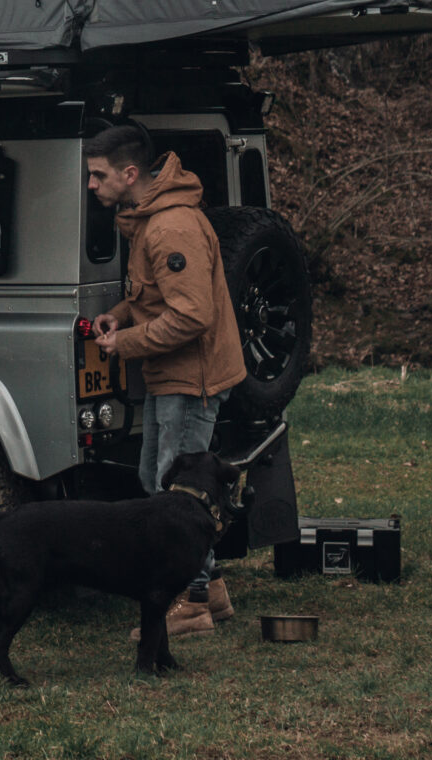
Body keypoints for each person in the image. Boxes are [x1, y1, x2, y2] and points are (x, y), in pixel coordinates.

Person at [84, 121, 247, 636]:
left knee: (178, 495)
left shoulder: (169, 228)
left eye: (98, 175)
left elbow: (192, 316)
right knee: (155, 482)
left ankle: (190, 604)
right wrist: (120, 314)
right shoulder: (148, 218)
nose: (91, 185)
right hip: (169, 376)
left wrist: (124, 344)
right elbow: (154, 296)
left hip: (188, 379)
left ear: (129, 174)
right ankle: (212, 592)